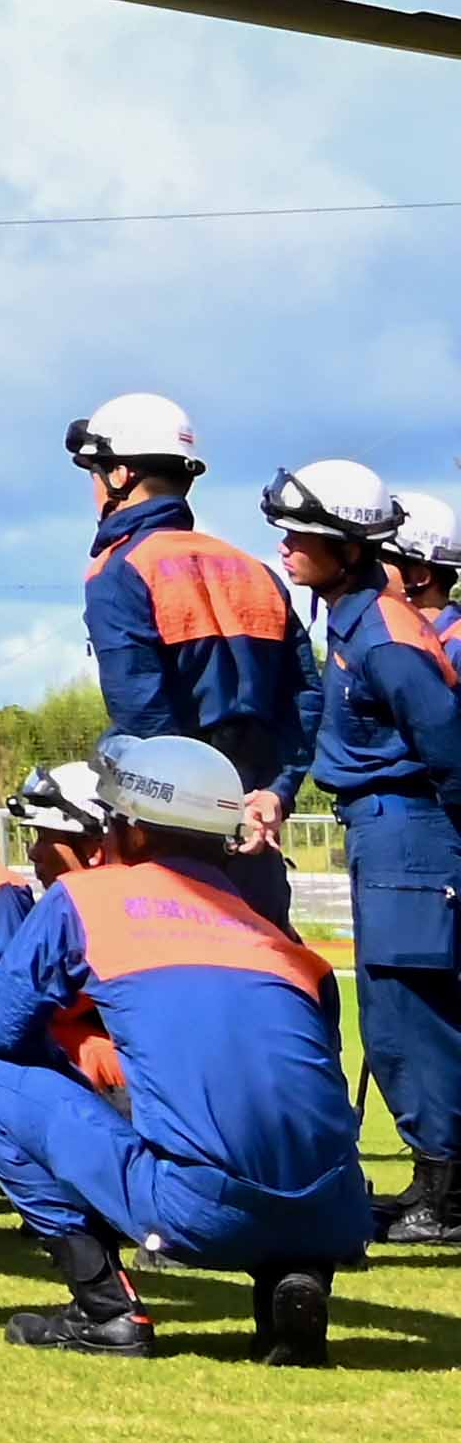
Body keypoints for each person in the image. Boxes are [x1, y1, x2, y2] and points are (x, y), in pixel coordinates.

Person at [0, 736, 382, 1363]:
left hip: (201, 1213)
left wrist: (83, 1075)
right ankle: (292, 1282)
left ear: (131, 832)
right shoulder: (284, 945)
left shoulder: (87, 899)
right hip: (336, 1212)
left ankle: (105, 1309)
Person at [282, 465, 461, 1247]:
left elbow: (449, 745)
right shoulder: (354, 620)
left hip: (409, 833)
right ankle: (436, 1181)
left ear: (351, 549)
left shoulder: (386, 636)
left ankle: (448, 1193)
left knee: (410, 1015)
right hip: (386, 829)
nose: (287, 547)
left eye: (304, 536)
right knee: (395, 1013)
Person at [68, 393, 303, 920]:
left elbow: (142, 717)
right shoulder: (255, 570)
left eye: (95, 472)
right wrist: (275, 795)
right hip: (253, 831)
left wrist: (184, 813)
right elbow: (305, 699)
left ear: (120, 475)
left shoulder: (121, 570)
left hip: (176, 844)